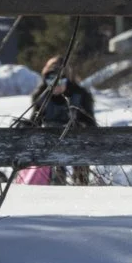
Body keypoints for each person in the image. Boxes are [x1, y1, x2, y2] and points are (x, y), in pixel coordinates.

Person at [21, 53, 99, 186]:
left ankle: (80, 188)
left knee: (81, 175)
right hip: (50, 143)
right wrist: (26, 127)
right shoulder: (42, 96)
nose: (55, 85)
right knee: (55, 174)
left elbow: (91, 123)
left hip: (77, 142)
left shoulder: (80, 95)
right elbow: (35, 122)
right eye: (50, 80)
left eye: (59, 80)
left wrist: (80, 126)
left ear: (67, 78)